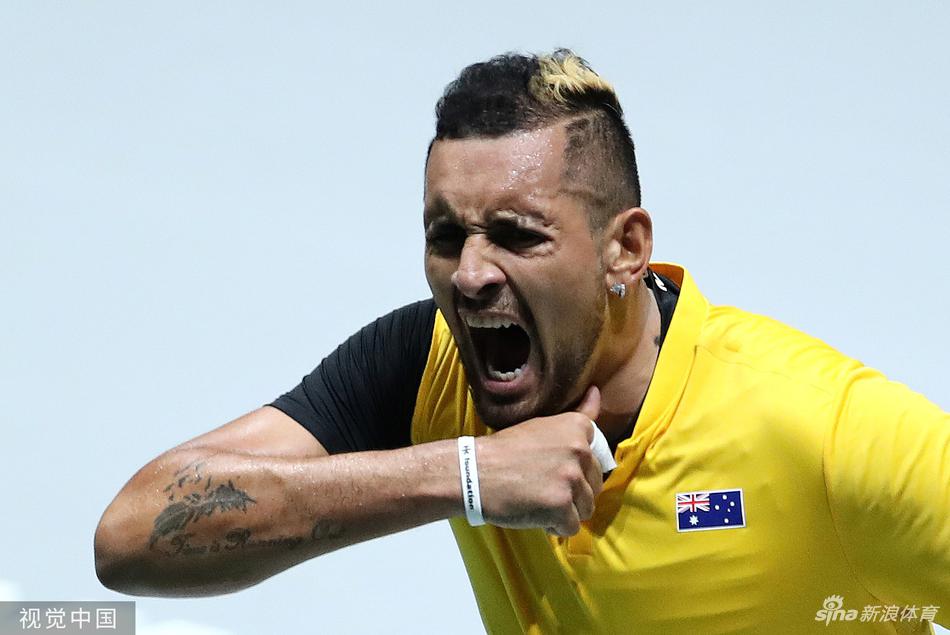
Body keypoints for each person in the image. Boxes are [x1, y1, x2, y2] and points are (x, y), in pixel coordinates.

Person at [94, 49, 949, 633]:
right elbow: (131, 534)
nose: (470, 275)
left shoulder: (821, 429)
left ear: (625, 248)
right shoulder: (430, 366)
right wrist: (466, 474)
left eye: (517, 234)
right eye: (446, 235)